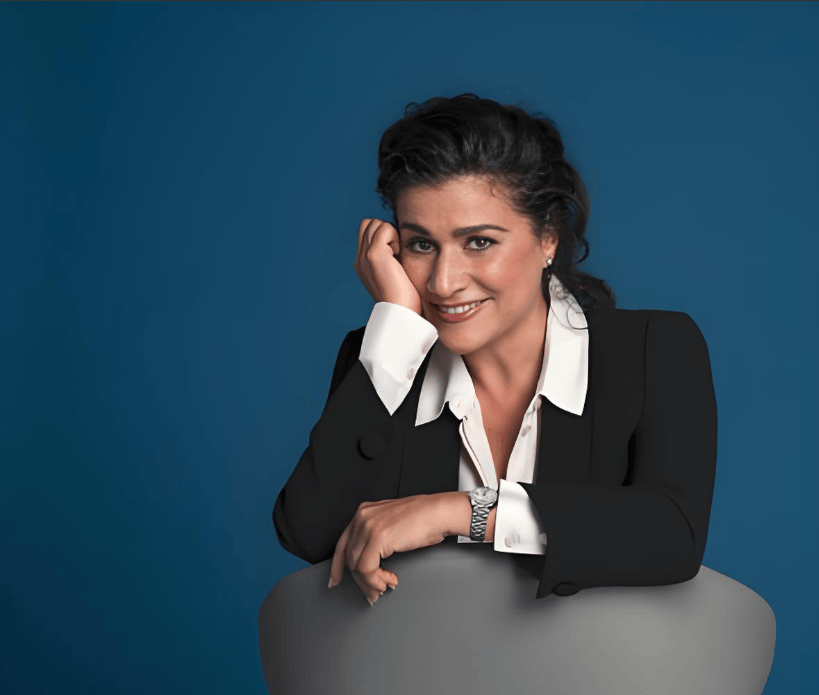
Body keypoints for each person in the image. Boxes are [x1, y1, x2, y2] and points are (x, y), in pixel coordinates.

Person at [272, 93, 718, 605]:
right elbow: (309, 534)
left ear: (549, 237)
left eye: (479, 242)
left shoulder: (652, 349)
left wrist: (461, 511)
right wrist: (394, 326)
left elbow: (674, 533)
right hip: (428, 659)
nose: (442, 282)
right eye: (421, 244)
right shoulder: (383, 358)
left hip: (600, 660)